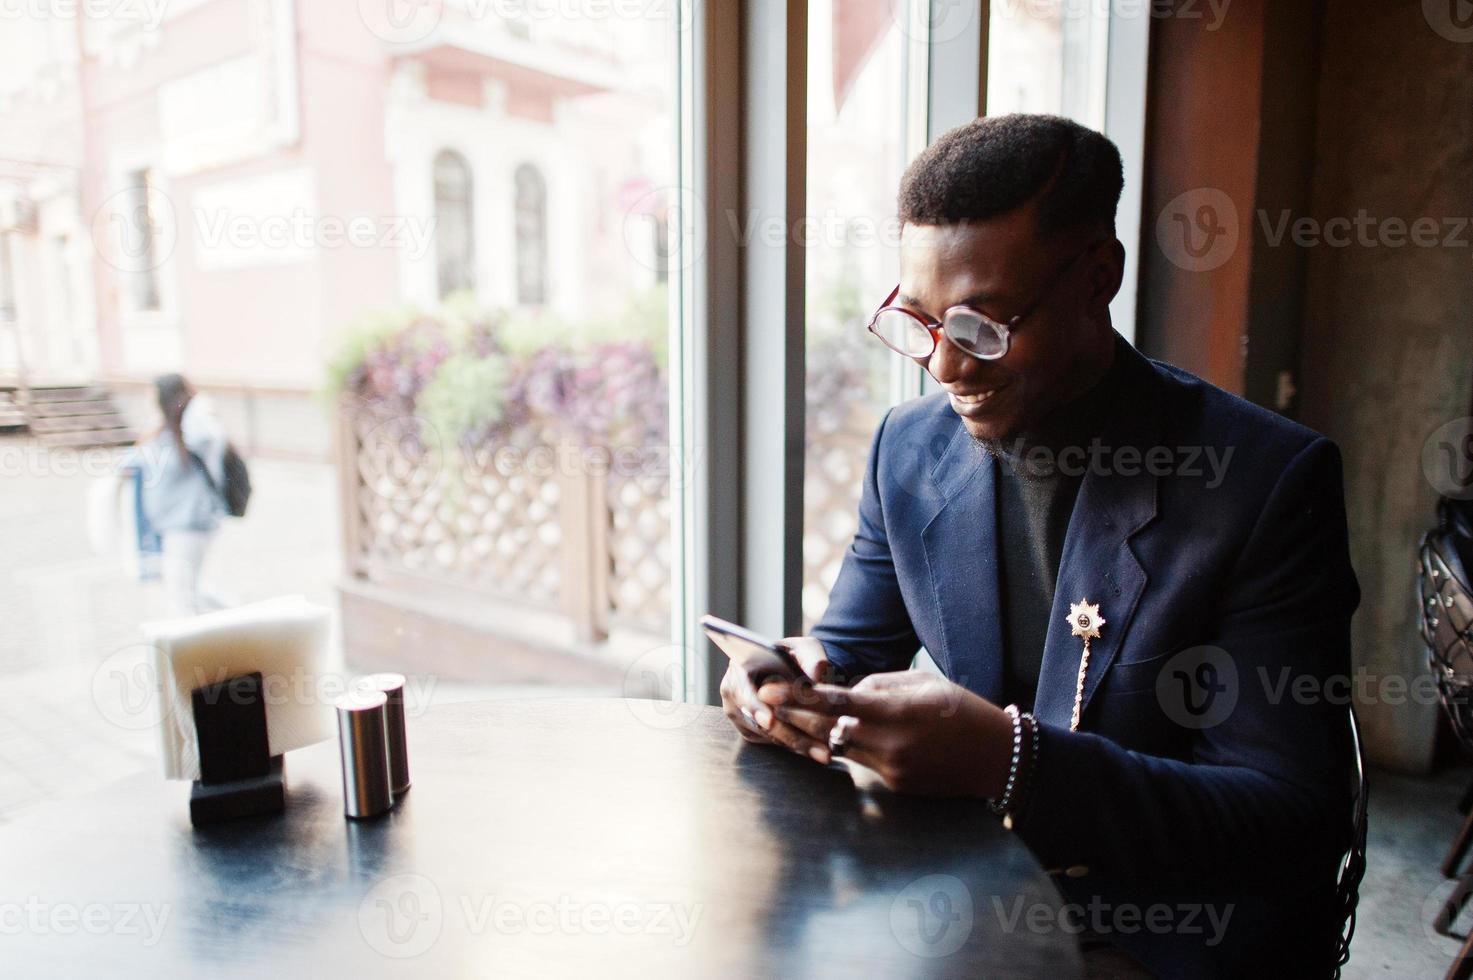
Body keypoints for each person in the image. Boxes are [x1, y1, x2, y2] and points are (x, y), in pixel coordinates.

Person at [720, 114, 1359, 977]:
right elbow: (848, 649)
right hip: (977, 893)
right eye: (919, 322)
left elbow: (1287, 819)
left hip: (1177, 925)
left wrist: (1007, 760)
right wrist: (790, 682)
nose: (945, 368)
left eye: (982, 326)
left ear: (1100, 277)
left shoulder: (1263, 482)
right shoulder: (906, 452)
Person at [120, 374, 230, 616]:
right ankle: (236, 614)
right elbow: (134, 460)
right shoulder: (162, 433)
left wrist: (195, 406)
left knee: (182, 596)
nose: (149, 402)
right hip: (168, 528)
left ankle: (224, 628)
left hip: (190, 526)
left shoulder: (194, 430)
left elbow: (209, 437)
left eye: (152, 397)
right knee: (185, 588)